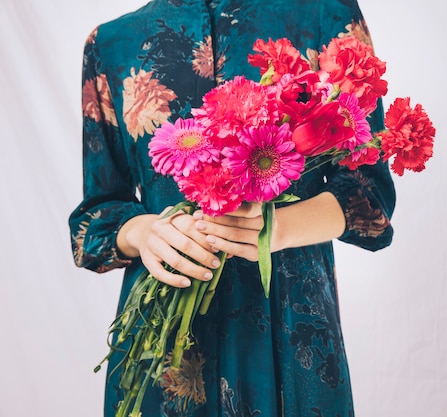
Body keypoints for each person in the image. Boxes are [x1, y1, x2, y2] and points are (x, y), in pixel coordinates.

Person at [69, 0, 396, 416]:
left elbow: (370, 195)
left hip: (292, 333)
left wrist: (278, 228)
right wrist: (144, 231)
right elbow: (94, 218)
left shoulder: (324, 15)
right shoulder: (112, 44)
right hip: (164, 346)